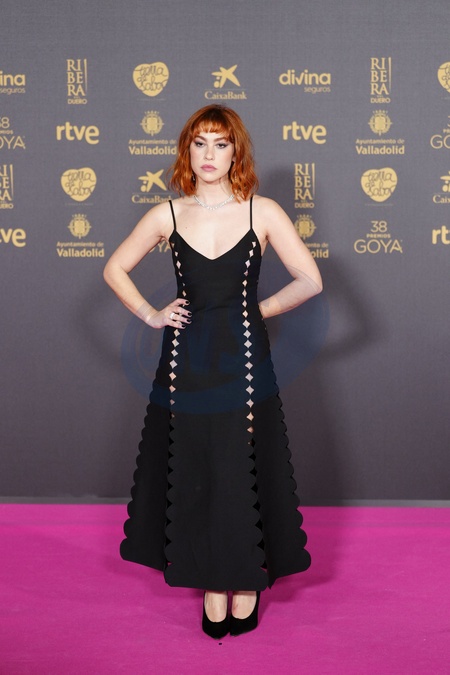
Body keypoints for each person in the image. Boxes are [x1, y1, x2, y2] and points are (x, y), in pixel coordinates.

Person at [103, 104, 323, 639]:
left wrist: (258, 311)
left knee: (241, 466)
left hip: (244, 359)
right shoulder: (167, 214)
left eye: (220, 144)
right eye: (199, 143)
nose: (209, 154)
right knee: (196, 468)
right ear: (187, 150)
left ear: (235, 152)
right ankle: (209, 581)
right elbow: (115, 268)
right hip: (186, 361)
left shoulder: (262, 211)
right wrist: (152, 315)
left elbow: (310, 280)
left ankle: (245, 579)